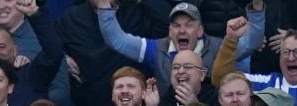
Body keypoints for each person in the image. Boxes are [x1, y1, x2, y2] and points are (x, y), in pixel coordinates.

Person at [95, 0, 265, 96]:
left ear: (200, 30)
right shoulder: (156, 48)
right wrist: (104, 6)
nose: (182, 30)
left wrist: (256, 8)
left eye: (189, 25)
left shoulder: (218, 47)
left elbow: (251, 43)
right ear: (169, 30)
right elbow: (117, 40)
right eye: (176, 25)